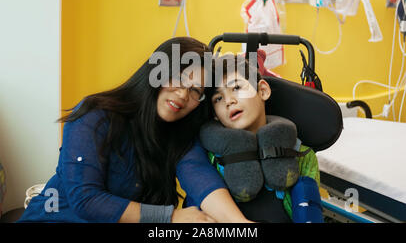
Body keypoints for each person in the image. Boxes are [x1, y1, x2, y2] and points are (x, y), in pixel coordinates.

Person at [18, 37, 250, 223]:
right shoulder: (95, 115)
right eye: (178, 78)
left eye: (195, 91)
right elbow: (86, 199)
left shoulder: (179, 135)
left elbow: (202, 181)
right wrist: (171, 217)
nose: (182, 94)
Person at [200, 54, 323, 223]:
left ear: (263, 90)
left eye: (236, 87)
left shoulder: (302, 155)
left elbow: (310, 211)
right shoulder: (211, 158)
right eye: (218, 98)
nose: (229, 101)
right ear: (215, 115)